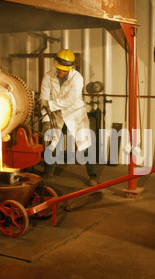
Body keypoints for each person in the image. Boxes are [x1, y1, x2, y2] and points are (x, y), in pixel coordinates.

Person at [40, 49, 98, 186]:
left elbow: (70, 101)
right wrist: (46, 119)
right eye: (59, 70)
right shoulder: (48, 76)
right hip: (56, 114)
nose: (60, 73)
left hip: (75, 113)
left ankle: (92, 175)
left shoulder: (77, 78)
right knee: (52, 141)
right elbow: (43, 99)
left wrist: (50, 104)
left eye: (64, 71)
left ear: (70, 68)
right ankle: (48, 171)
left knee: (84, 143)